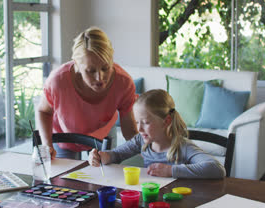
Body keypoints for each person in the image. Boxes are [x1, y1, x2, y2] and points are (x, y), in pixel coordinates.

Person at [36, 27, 138, 159]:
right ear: (77, 65)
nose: (99, 78)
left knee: (104, 176)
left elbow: (130, 132)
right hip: (65, 136)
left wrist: (151, 150)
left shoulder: (124, 83)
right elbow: (44, 111)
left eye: (105, 68)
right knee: (64, 178)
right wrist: (47, 146)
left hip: (103, 134)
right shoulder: (58, 81)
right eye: (90, 71)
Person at [88, 89, 225, 179]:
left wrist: (171, 171)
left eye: (146, 122)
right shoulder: (140, 141)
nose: (139, 129)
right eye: (137, 122)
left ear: (166, 121)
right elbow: (116, 155)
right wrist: (102, 157)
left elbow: (217, 168)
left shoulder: (182, 147)